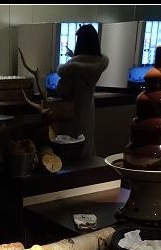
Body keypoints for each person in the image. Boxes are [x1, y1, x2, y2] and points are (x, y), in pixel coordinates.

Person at [55, 24, 109, 159]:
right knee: (86, 144)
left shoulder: (71, 68)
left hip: (71, 112)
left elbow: (63, 92)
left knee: (71, 149)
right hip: (88, 109)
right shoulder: (98, 63)